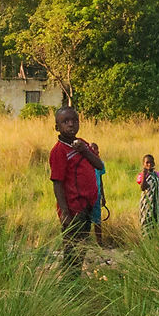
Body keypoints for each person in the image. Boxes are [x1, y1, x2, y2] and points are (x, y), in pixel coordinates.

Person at [47, 107, 104, 273]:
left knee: (81, 248)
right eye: (65, 122)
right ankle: (68, 286)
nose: (71, 125)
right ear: (57, 127)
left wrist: (84, 150)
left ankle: (74, 282)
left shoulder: (83, 144)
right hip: (73, 210)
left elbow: (99, 165)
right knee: (72, 251)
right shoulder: (59, 151)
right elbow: (57, 183)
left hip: (86, 207)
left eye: (74, 121)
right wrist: (64, 212)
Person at [136, 154, 159, 231]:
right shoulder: (143, 175)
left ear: (154, 163)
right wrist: (144, 174)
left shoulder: (156, 174)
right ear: (143, 164)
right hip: (147, 203)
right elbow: (143, 187)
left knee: (155, 222)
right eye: (147, 162)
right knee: (146, 221)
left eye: (151, 162)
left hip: (156, 203)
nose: (149, 164)